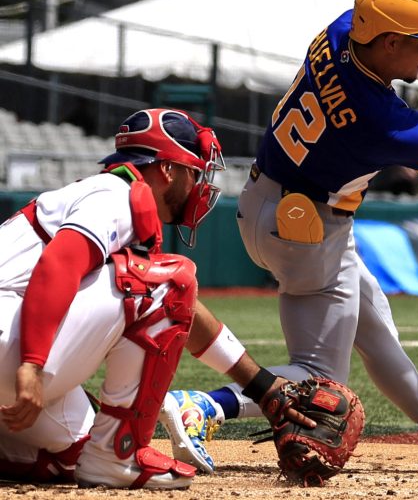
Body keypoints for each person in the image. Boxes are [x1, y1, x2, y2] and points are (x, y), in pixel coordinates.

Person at [162, 0, 418, 475]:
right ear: (391, 42)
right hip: (305, 230)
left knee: (375, 328)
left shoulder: (346, 30)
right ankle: (204, 404)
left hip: (279, 205)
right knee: (320, 375)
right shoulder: (378, 121)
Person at [0, 108, 310, 490]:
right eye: (194, 172)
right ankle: (121, 454)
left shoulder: (99, 195)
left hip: (7, 340)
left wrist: (262, 386)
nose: (200, 184)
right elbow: (58, 267)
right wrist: (31, 366)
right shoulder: (117, 195)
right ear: (167, 170)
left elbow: (186, 313)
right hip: (11, 350)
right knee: (171, 281)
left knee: (76, 454)